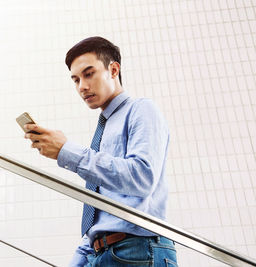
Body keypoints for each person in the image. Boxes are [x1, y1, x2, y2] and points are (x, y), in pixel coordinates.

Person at [24, 36, 178, 267]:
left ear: (113, 69)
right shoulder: (103, 130)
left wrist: (67, 150)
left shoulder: (141, 110)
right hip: (102, 252)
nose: (82, 87)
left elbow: (142, 177)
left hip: (137, 249)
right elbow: (103, 214)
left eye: (89, 74)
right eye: (75, 80)